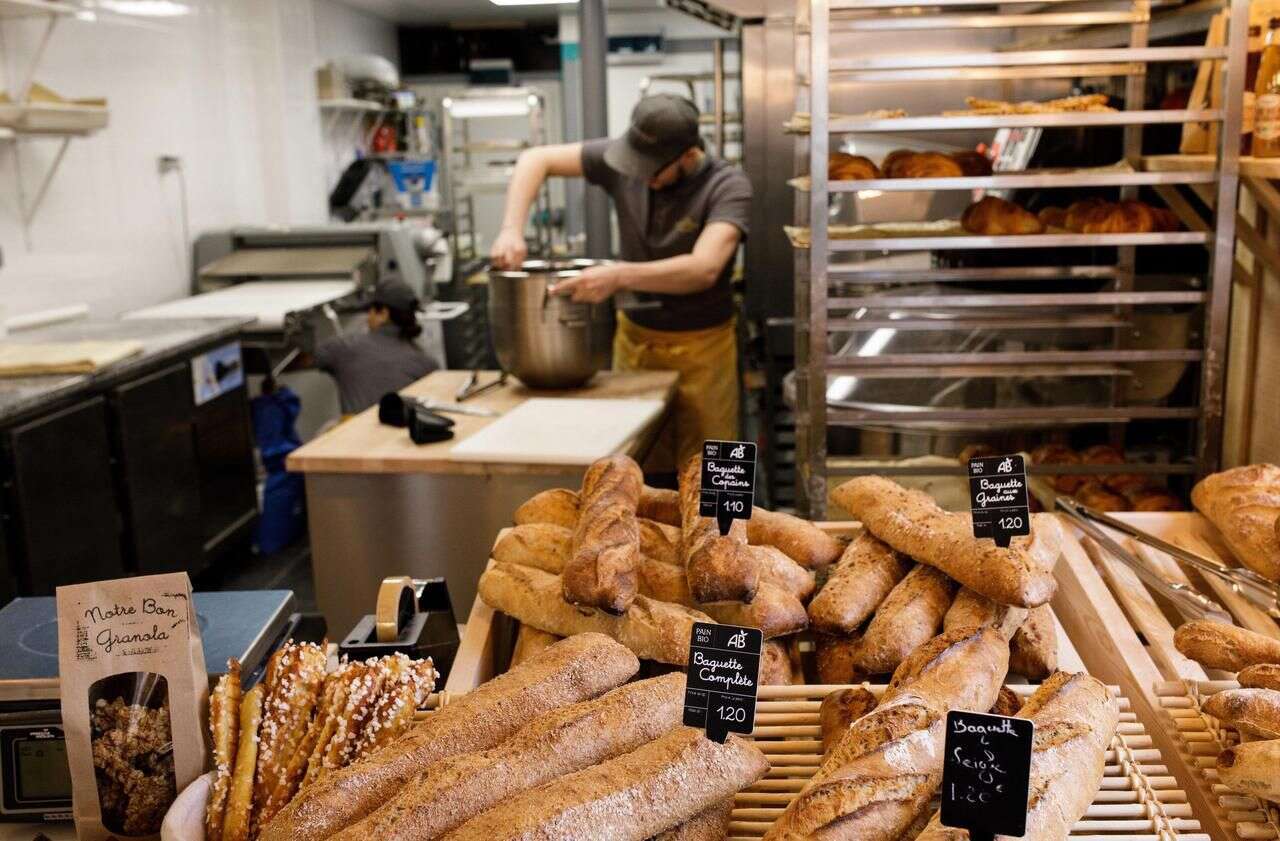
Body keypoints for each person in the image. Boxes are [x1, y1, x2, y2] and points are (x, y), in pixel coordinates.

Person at [490, 93, 752, 463]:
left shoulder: (729, 186)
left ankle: (731, 524)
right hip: (636, 343)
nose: (640, 177)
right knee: (636, 464)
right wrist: (510, 229)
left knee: (719, 468)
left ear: (688, 156)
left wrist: (618, 276)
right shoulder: (627, 162)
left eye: (651, 171)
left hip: (704, 349)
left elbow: (703, 269)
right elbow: (536, 159)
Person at [314, 274, 436, 415]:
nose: (368, 317)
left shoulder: (343, 348)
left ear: (383, 313)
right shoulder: (427, 364)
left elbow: (305, 358)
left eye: (370, 311)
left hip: (356, 436)